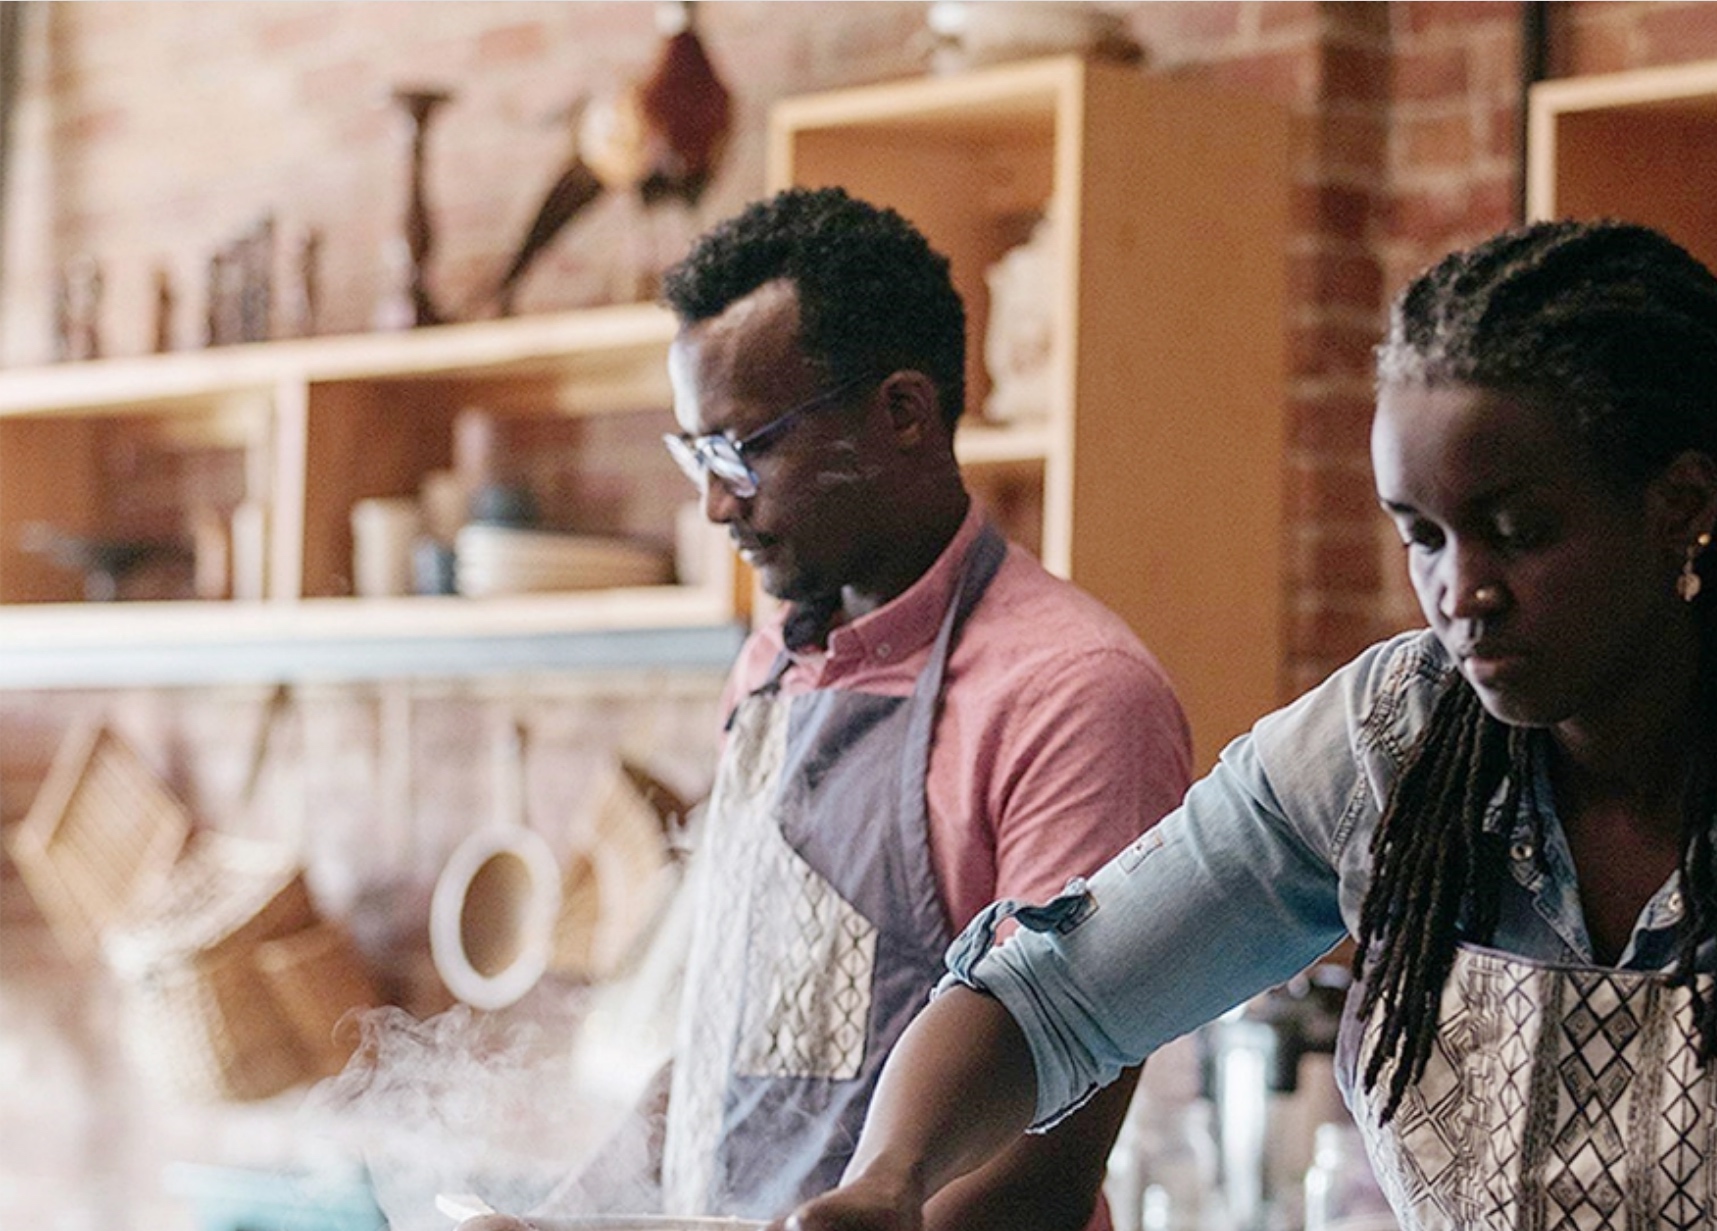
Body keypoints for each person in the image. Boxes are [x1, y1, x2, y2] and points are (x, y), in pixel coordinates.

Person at [770, 220, 1717, 1231]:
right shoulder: (1389, 741)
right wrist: (886, 1181)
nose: (1460, 591)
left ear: (1679, 504)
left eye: (1517, 530)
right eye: (1421, 535)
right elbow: (1055, 995)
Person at [471, 186, 1192, 1229]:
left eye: (742, 449)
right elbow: (731, 1033)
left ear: (901, 412)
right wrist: (560, 1219)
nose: (715, 503)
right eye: (695, 455)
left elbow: (1053, 1145)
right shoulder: (772, 662)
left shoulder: (1072, 694)